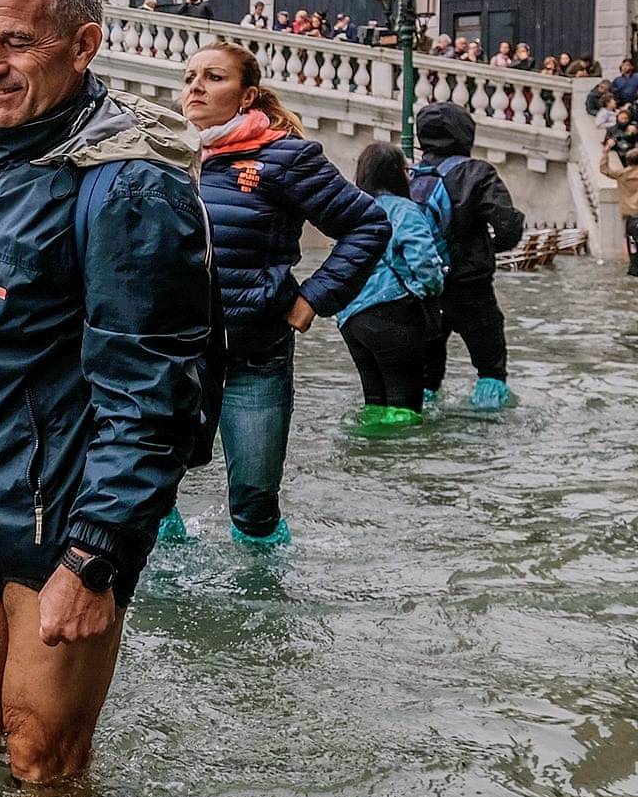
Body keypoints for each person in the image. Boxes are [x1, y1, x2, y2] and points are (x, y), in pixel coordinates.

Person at [0, 0, 214, 784]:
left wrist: (96, 556)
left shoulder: (128, 187)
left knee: (42, 760)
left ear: (84, 46)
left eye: (16, 43)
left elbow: (154, 391)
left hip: (58, 527)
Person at [174, 42, 389, 546]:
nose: (195, 87)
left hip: (254, 353)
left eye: (213, 77)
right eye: (189, 77)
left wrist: (313, 298)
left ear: (247, 96)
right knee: (150, 489)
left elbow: (367, 224)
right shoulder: (167, 155)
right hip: (173, 352)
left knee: (252, 502)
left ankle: (262, 599)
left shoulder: (285, 157)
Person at [410, 101, 525, 409]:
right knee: (490, 366)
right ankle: (490, 426)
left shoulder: (411, 174)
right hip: (470, 285)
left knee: (424, 375)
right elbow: (508, 227)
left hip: (423, 287)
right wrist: (487, 250)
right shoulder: (478, 173)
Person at [336, 143, 446, 427]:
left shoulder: (351, 210)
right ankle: (398, 457)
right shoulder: (404, 210)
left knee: (373, 400)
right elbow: (423, 259)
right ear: (396, 173)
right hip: (392, 314)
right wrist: (431, 289)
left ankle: (369, 451)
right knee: (404, 403)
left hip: (351, 319)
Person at [601, 138, 638, 277]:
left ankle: (628, 264)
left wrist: (606, 151)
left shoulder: (622, 174)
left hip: (628, 211)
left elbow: (604, 169)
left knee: (627, 239)